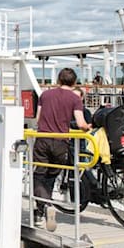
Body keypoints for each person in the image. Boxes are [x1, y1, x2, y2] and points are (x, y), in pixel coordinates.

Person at [33, 68, 90, 230]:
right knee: (51, 176)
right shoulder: (75, 98)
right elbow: (80, 124)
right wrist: (88, 127)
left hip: (43, 139)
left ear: (58, 80)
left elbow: (38, 118)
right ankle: (44, 206)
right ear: (74, 83)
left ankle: (43, 208)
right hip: (61, 142)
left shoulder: (45, 95)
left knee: (39, 175)